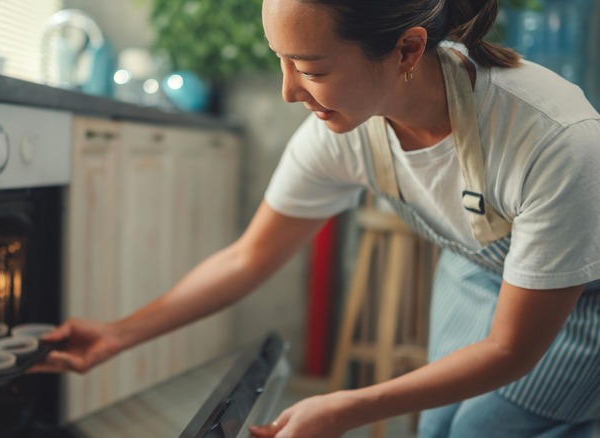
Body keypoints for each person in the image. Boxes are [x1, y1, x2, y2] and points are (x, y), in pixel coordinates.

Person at [32, 0, 600, 436]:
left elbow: (511, 350)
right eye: (280, 61)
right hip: (475, 275)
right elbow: (248, 256)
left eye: (310, 67)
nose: (288, 91)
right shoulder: (344, 128)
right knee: (437, 426)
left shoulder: (553, 141)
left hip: (579, 305)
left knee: (480, 428)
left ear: (407, 49)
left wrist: (343, 408)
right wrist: (116, 334)